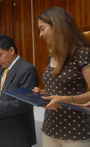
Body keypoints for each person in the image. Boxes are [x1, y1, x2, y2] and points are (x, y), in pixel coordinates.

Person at [33, 6, 90, 147]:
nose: (40, 34)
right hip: (50, 130)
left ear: (56, 25)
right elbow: (58, 88)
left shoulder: (82, 53)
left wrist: (65, 100)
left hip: (75, 132)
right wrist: (42, 92)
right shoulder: (51, 55)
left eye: (42, 28)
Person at [0, 34, 39, 147]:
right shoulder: (0, 72)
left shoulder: (27, 69)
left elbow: (25, 103)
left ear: (11, 50)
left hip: (17, 134)